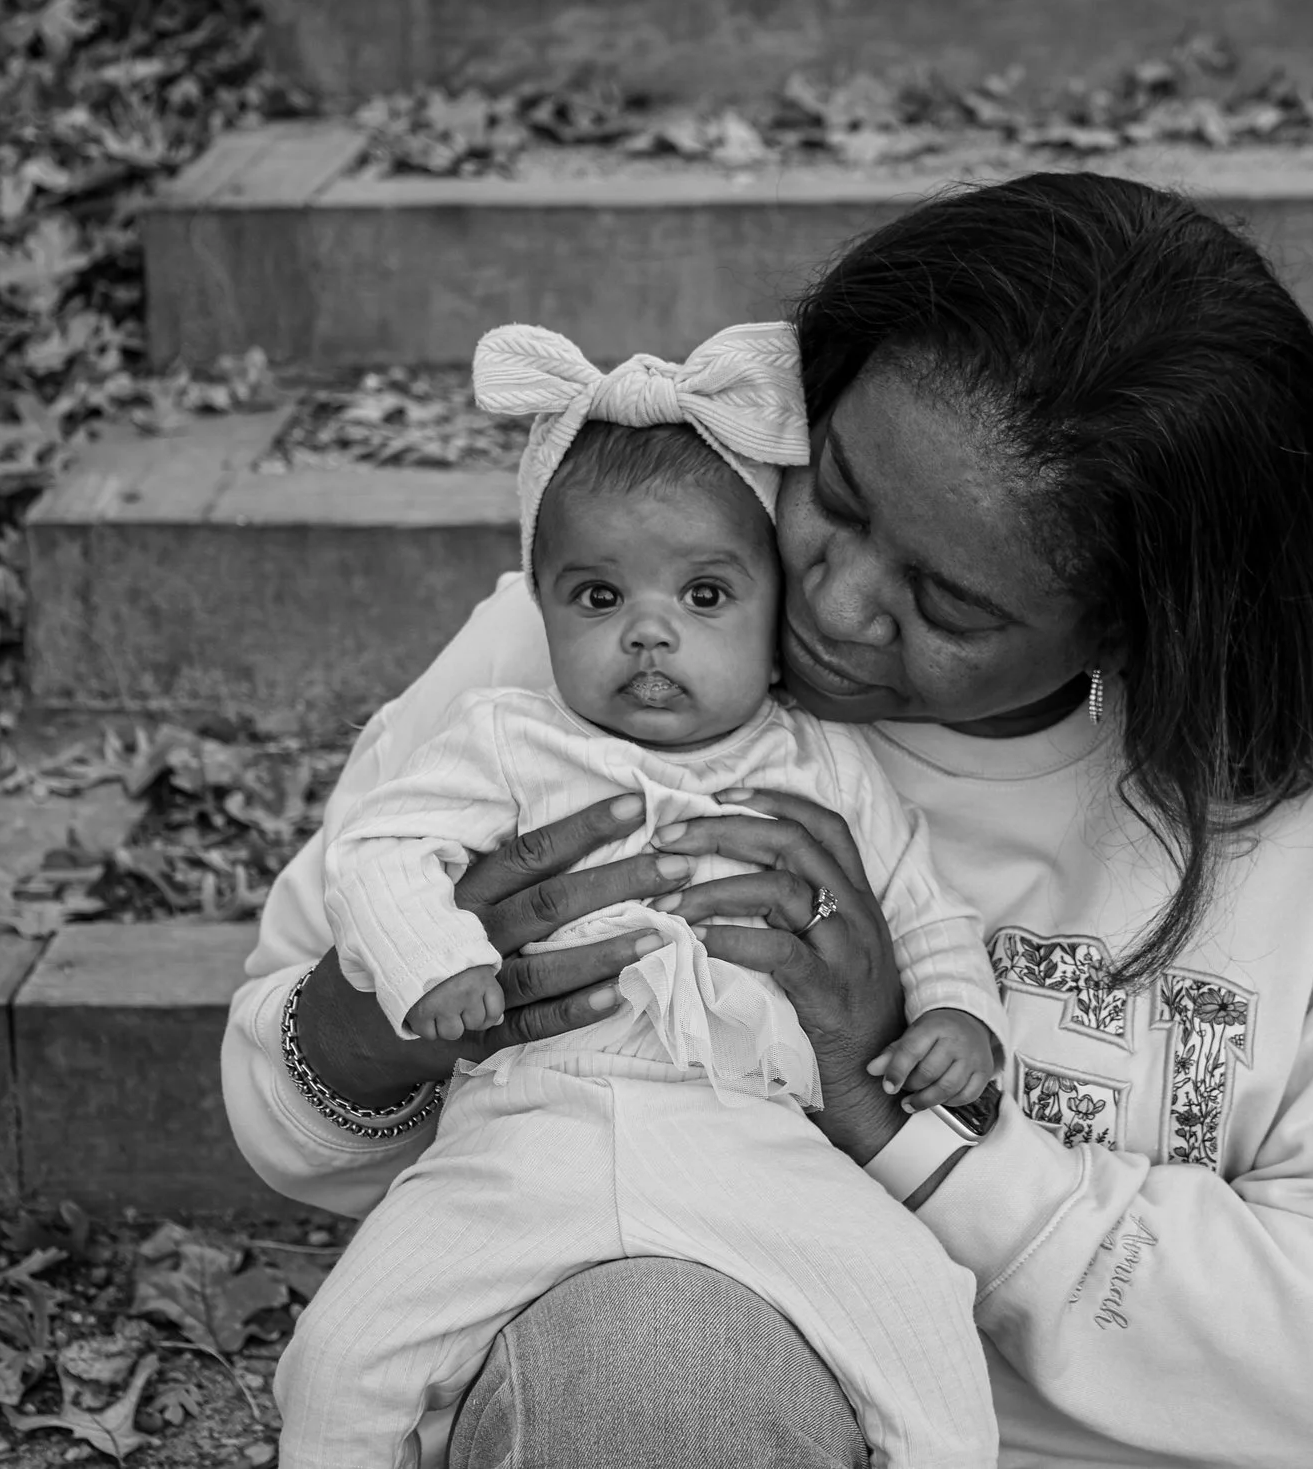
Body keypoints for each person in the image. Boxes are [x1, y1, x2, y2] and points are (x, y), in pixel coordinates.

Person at [223, 171, 1313, 1469]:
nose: (835, 603)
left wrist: (896, 1112)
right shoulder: (583, 659)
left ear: (1142, 623)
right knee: (653, 1352)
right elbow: (288, 1120)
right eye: (835, 493)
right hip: (694, 1402)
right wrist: (393, 1011)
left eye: (948, 604)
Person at [273, 321, 1005, 1468]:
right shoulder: (508, 736)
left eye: (705, 592)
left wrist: (960, 1012)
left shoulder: (818, 763)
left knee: (920, 1310)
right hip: (526, 1126)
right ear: (543, 604)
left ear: (776, 616)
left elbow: (919, 907)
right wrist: (435, 960)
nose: (649, 630)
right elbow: (384, 845)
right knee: (338, 1354)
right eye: (598, 593)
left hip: (753, 1131)